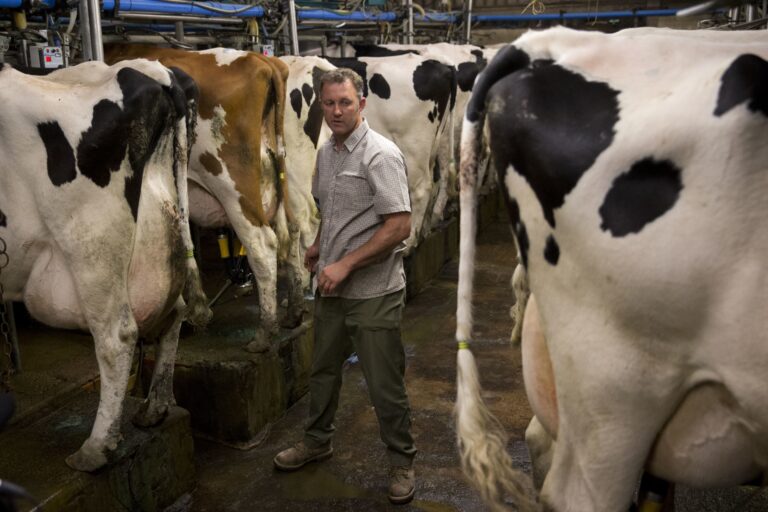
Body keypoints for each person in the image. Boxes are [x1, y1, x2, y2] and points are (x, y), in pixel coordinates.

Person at [273, 68, 417, 505]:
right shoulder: (329, 152)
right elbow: (333, 211)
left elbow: (400, 227)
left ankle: (401, 462)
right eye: (329, 103)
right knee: (322, 372)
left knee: (383, 383)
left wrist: (348, 263)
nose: (336, 111)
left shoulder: (380, 155)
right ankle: (318, 441)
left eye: (345, 103)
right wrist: (320, 246)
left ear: (362, 104)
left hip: (373, 292)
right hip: (333, 288)